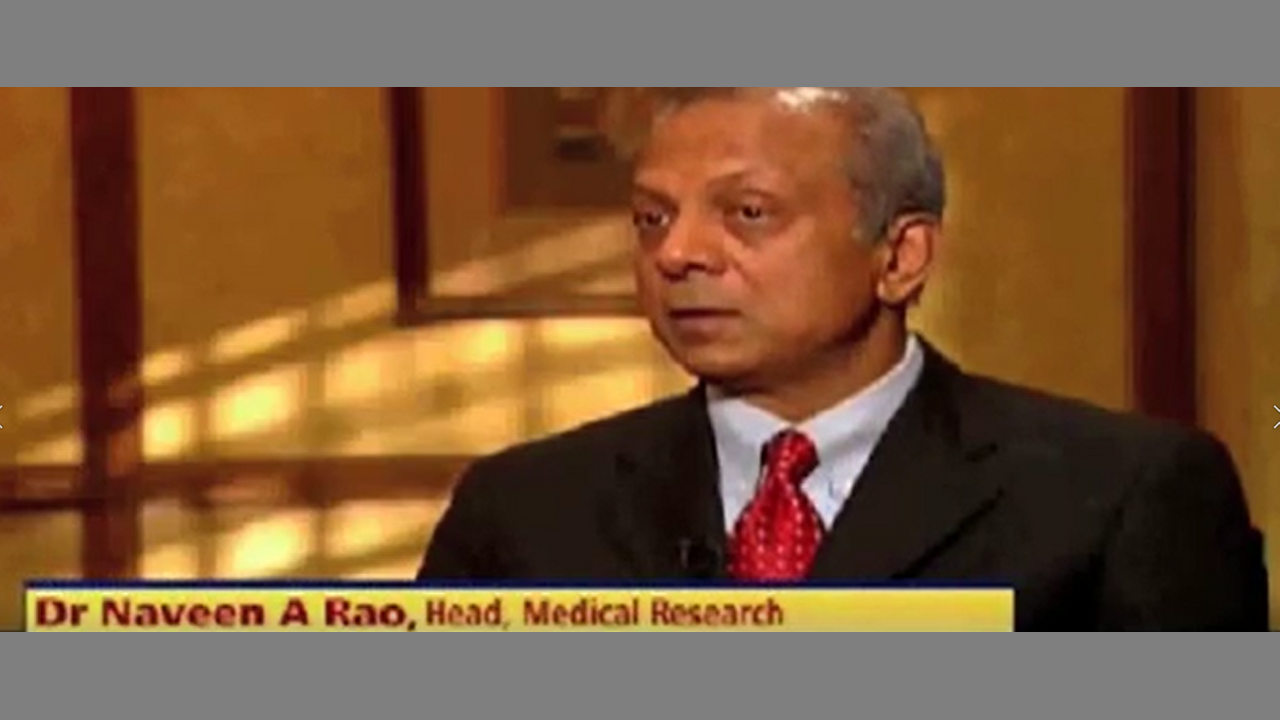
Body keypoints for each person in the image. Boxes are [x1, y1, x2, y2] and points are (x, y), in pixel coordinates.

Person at [417, 87, 1270, 631]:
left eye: (747, 213)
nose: (677, 254)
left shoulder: (1121, 496)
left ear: (900, 256)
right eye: (652, 219)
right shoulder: (522, 511)